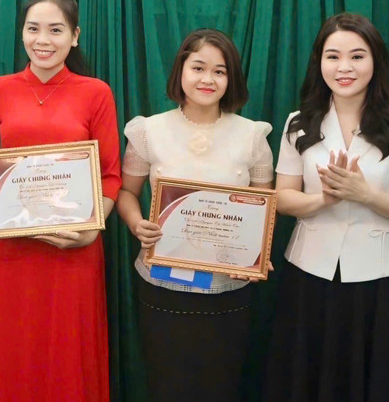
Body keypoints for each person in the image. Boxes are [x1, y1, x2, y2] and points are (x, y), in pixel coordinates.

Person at [264, 12, 389, 401]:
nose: (344, 67)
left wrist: (366, 194)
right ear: (318, 62)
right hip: (310, 272)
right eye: (333, 56)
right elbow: (282, 198)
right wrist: (323, 198)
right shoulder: (298, 123)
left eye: (357, 56)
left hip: (379, 277)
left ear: (376, 62)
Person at [0, 0, 121, 402]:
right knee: (14, 347)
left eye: (56, 30)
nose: (43, 40)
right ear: (21, 32)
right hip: (12, 247)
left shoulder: (96, 92)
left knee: (67, 351)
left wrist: (93, 229)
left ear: (74, 36)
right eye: (33, 28)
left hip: (72, 247)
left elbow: (111, 174)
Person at [115, 28, 274, 402]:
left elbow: (266, 208)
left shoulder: (253, 136)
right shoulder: (148, 131)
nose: (208, 79)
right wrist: (136, 223)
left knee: (221, 384)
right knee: (166, 384)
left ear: (231, 78)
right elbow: (125, 193)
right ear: (180, 71)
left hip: (228, 287)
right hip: (160, 282)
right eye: (198, 67)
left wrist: (255, 255)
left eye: (220, 71)